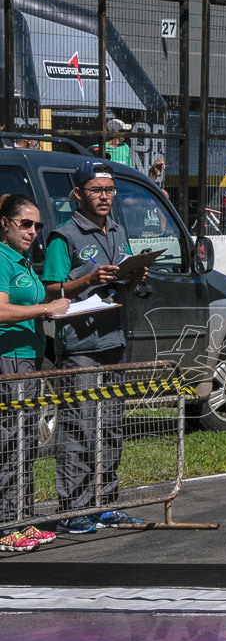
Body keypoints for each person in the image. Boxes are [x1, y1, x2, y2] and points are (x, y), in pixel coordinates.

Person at [41, 159, 150, 534]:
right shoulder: (64, 236)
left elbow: (123, 281)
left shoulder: (118, 231)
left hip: (113, 340)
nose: (104, 197)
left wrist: (134, 275)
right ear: (78, 194)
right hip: (80, 345)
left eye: (109, 190)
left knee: (112, 424)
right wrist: (85, 280)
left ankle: (106, 501)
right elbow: (50, 290)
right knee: (79, 426)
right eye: (96, 190)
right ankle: (73, 508)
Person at [0, 194, 70, 552]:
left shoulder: (24, 262)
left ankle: (21, 520)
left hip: (29, 359)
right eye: (25, 223)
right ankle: (6, 526)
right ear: (5, 224)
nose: (32, 231)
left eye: (37, 225)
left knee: (25, 443)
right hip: (9, 359)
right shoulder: (1, 259)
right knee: (10, 441)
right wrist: (45, 308)